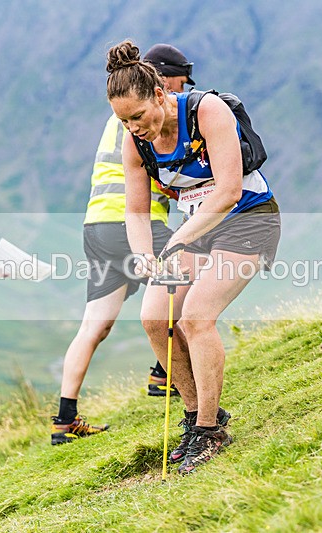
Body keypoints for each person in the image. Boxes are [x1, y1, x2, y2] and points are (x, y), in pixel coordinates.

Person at [106, 40, 281, 474]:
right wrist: (144, 255)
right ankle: (197, 416)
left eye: (139, 116)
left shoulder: (206, 111)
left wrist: (178, 240)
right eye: (124, 121)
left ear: (161, 96)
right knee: (154, 318)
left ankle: (210, 432)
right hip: (195, 230)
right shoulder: (135, 143)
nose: (134, 128)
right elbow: (135, 210)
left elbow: (227, 191)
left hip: (247, 218)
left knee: (196, 317)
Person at [50, 44, 198, 446]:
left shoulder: (116, 113)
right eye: (181, 82)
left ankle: (65, 418)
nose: (183, 89)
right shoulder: (148, 118)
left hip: (96, 225)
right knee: (194, 273)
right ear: (163, 81)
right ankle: (164, 372)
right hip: (136, 223)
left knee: (94, 324)